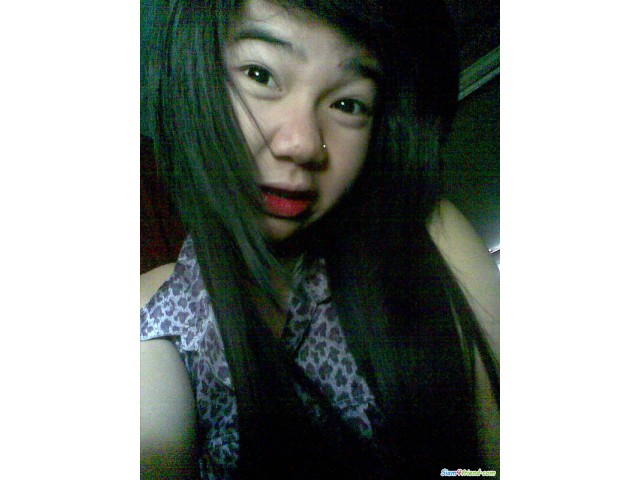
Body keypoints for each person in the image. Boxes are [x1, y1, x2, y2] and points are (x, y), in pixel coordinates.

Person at [140, 0, 500, 478]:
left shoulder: (430, 235)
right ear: (195, 80)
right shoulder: (158, 316)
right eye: (261, 75)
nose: (305, 144)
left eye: (348, 104)